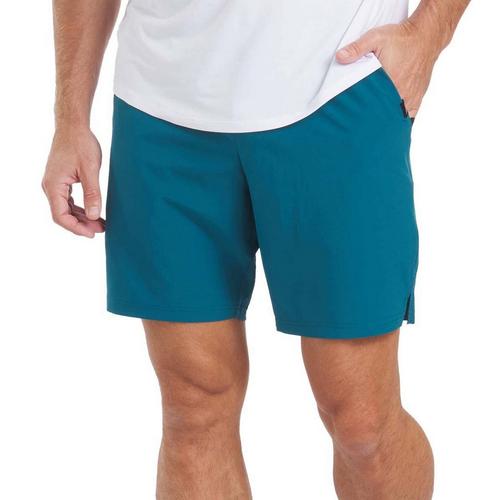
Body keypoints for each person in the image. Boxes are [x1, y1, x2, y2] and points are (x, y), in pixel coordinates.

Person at [42, 0, 469, 498]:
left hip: (338, 86)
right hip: (162, 105)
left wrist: (428, 33)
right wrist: (70, 119)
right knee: (193, 406)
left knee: (361, 421)